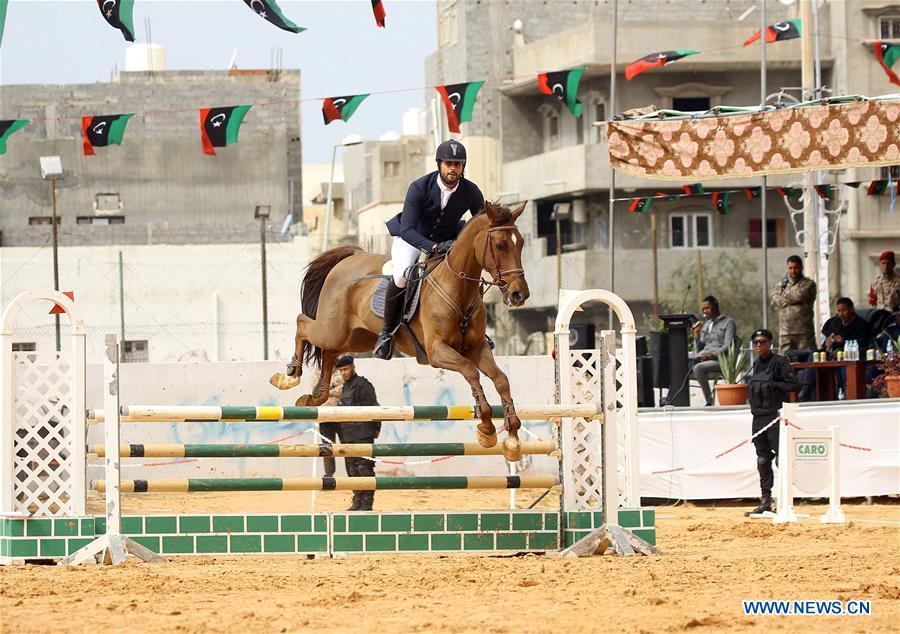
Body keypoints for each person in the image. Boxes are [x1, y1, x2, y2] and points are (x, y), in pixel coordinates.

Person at [374, 140, 485, 359]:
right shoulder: (419, 187)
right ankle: (387, 332)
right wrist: (432, 247)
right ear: (439, 164)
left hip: (448, 239)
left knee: (472, 277)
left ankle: (477, 330)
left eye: (458, 164)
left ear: (463, 167)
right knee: (402, 274)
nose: (452, 168)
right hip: (413, 237)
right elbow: (406, 229)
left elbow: (481, 222)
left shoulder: (471, 191)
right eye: (448, 163)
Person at [744, 329, 800, 516]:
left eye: (762, 341)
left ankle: (785, 499)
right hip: (758, 418)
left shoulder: (779, 362)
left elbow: (794, 384)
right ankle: (765, 500)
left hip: (775, 417)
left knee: (781, 459)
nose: (759, 345)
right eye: (756, 342)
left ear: (770, 343)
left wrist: (773, 386)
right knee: (762, 460)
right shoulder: (756, 364)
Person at [334, 356, 381, 511]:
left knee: (364, 468)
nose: (343, 373)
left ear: (353, 367)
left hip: (362, 434)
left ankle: (366, 503)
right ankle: (357, 500)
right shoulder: (345, 387)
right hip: (348, 435)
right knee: (352, 469)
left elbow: (374, 408)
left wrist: (376, 429)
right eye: (341, 370)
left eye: (346, 369)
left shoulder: (363, 385)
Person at [690, 295, 737, 406]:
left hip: (721, 361)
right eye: (703, 310)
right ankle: (674, 400)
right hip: (703, 357)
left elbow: (728, 345)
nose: (704, 312)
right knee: (679, 363)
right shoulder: (707, 324)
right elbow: (700, 348)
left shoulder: (728, 322)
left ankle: (709, 401)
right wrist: (696, 336)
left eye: (707, 308)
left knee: (698, 368)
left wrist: (712, 356)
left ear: (715, 307)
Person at [770, 255, 817, 355]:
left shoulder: (808, 284)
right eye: (790, 268)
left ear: (801, 268)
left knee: (806, 361)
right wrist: (789, 298)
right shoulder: (781, 285)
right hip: (785, 332)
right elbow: (774, 300)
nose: (793, 271)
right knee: (784, 362)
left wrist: (783, 297)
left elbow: (799, 295)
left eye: (795, 268)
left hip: (803, 332)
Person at [310, 367, 344, 477]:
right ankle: (329, 474)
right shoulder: (317, 371)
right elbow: (316, 390)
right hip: (325, 416)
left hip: (342, 415)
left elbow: (344, 389)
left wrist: (327, 390)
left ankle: (353, 472)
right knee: (327, 447)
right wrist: (334, 387)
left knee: (348, 446)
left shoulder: (341, 368)